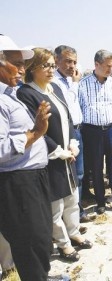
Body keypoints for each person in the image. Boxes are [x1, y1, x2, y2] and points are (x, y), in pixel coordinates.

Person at [0, 35, 69, 281]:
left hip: (34, 178)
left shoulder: (11, 94)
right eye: (15, 63)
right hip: (17, 183)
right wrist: (35, 133)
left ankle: (40, 276)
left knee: (39, 237)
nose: (22, 69)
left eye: (23, 63)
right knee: (28, 241)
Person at [17, 48, 93, 263]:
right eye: (46, 65)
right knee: (55, 204)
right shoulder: (27, 93)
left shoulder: (55, 88)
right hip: (49, 158)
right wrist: (59, 151)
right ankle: (63, 245)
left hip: (67, 153)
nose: (51, 70)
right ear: (32, 68)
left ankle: (74, 232)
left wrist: (72, 144)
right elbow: (35, 129)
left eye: (52, 65)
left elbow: (67, 118)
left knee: (71, 198)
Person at [78, 49, 112, 214]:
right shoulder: (83, 84)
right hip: (92, 131)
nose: (110, 69)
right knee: (96, 166)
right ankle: (100, 201)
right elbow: (79, 107)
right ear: (96, 64)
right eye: (107, 66)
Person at [53, 45, 96, 224]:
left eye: (75, 62)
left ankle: (76, 213)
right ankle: (70, 216)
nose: (72, 66)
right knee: (69, 175)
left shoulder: (71, 80)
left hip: (78, 130)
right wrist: (76, 83)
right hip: (65, 133)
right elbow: (66, 103)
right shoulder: (54, 82)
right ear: (56, 61)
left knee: (79, 174)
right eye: (68, 61)